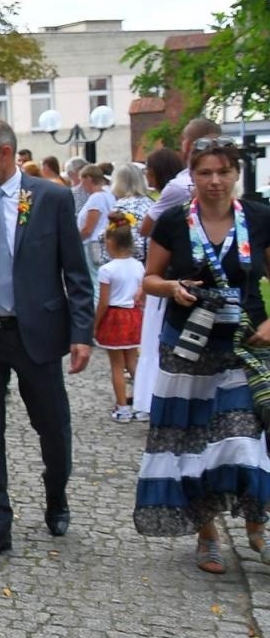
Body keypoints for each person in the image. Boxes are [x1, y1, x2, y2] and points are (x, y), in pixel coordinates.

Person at [0, 117, 94, 561]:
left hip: (38, 334)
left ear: (4, 153)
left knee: (52, 427)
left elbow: (76, 270)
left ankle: (57, 495)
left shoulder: (51, 199)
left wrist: (81, 333)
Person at [136, 138, 270, 572]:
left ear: (236, 175)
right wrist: (172, 288)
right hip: (188, 348)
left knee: (244, 439)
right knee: (192, 446)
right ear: (191, 177)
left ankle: (256, 525)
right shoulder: (174, 221)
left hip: (242, 347)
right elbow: (149, 278)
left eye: (222, 172)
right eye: (204, 173)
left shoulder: (261, 218)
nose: (214, 181)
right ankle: (206, 534)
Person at [133, 147, 187, 419]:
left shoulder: (174, 190)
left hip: (165, 268)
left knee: (156, 337)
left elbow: (145, 226)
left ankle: (155, 396)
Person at [95, 214, 145, 422]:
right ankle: (143, 405)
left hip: (115, 316)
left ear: (112, 242)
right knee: (133, 362)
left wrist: (95, 323)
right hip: (133, 315)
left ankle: (123, 407)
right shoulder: (138, 266)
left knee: (117, 365)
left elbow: (104, 302)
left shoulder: (107, 270)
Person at [77, 163, 115, 271]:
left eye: (82, 180)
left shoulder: (96, 198)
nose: (81, 185)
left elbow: (88, 229)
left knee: (95, 279)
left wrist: (74, 240)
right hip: (105, 243)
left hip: (93, 245)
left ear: (88, 179)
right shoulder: (109, 195)